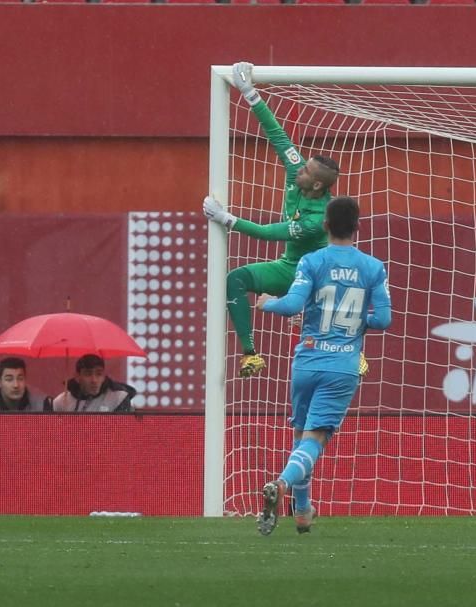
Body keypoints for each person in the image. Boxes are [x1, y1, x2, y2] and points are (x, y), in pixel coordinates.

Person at [202, 61, 368, 380]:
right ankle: (250, 354)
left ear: (318, 185)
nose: (299, 170)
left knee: (334, 307)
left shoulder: (319, 217)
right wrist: (250, 93)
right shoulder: (297, 175)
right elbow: (278, 136)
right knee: (235, 279)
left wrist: (226, 218)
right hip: (289, 267)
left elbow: (267, 233)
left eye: (306, 171)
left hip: (319, 273)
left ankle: (353, 353)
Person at [254, 195, 392, 536]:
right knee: (314, 439)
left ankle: (302, 513)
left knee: (301, 437)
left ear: (326, 225)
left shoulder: (312, 261)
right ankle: (283, 484)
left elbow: (292, 306)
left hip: (307, 360)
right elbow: (385, 319)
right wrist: (359, 321)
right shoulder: (373, 267)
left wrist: (268, 302)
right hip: (342, 365)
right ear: (358, 226)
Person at [52, 354, 137, 413]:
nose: (94, 380)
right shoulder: (60, 402)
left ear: (104, 376)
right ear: (77, 377)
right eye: (88, 374)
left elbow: (123, 434)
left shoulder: (118, 398)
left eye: (99, 374)